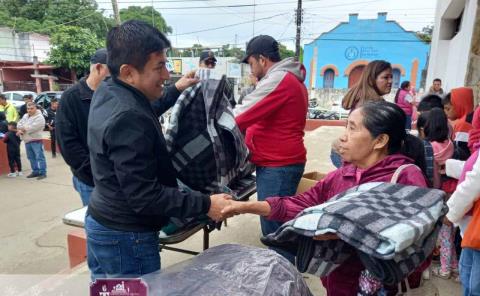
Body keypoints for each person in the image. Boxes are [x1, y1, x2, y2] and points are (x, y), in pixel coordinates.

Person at [222, 101, 428, 295]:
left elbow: (416, 238)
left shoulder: (405, 177)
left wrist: (342, 232)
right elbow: (300, 204)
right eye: (346, 126)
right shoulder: (343, 175)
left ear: (380, 140)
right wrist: (243, 207)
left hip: (380, 284)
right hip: (338, 282)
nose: (343, 137)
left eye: (353, 128)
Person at [85, 20, 231, 280]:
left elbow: (142, 111)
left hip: (103, 222)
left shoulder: (110, 90)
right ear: (128, 71)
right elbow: (145, 196)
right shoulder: (128, 117)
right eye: (159, 67)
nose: (166, 74)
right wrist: (206, 203)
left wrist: (177, 88)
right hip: (126, 238)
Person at [233, 35, 308, 262]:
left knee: (275, 230)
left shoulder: (279, 79)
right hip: (279, 163)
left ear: (263, 60)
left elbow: (239, 116)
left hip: (279, 166)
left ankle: (282, 279)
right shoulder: (289, 78)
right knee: (279, 223)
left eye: (251, 63)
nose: (250, 68)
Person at [56, 49, 110, 206]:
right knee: (98, 224)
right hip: (90, 181)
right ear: (99, 68)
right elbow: (69, 145)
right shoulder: (71, 98)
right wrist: (95, 174)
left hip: (116, 179)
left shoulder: (113, 94)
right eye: (113, 70)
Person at [417, 108, 458, 280]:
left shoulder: (430, 147)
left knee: (444, 234)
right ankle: (454, 266)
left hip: (440, 192)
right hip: (453, 190)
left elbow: (433, 174)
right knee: (450, 232)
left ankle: (445, 269)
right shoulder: (449, 143)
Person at [332, 60, 393, 168]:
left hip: (342, 151)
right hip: (351, 154)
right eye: (386, 77)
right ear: (371, 79)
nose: (390, 81)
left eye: (391, 77)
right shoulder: (373, 105)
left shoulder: (361, 96)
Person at [442, 87, 474, 160]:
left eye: (448, 109)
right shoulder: (472, 119)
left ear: (459, 105)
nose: (445, 112)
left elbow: (461, 154)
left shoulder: (463, 124)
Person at [17, 102, 46, 179]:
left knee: (39, 157)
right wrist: (23, 128)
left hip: (36, 140)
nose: (29, 110)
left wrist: (22, 129)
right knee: (31, 157)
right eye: (28, 108)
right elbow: (19, 124)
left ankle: (43, 173)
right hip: (27, 139)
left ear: (36, 108)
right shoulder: (25, 116)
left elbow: (33, 128)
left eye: (31, 108)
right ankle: (35, 171)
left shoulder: (40, 117)